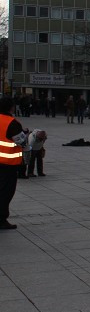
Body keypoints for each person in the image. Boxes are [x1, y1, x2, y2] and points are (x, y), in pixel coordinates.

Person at [0, 97, 26, 230]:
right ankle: (1, 219)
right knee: (6, 191)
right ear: (11, 107)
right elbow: (21, 141)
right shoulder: (12, 123)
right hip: (7, 163)